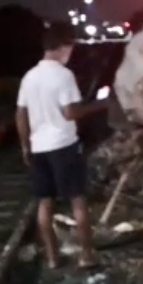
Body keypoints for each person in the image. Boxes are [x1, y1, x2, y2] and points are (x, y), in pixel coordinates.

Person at [16, 21, 108, 270]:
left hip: (39, 148)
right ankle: (86, 255)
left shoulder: (29, 77)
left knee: (44, 203)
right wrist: (101, 104)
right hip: (64, 146)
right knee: (78, 201)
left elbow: (21, 114)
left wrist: (25, 146)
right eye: (71, 47)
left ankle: (52, 258)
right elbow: (70, 113)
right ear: (64, 47)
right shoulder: (64, 75)